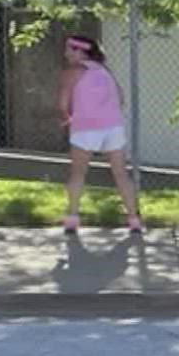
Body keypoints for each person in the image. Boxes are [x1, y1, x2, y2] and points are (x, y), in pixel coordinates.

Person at [57, 34, 143, 234]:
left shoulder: (71, 72)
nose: (66, 53)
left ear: (80, 51)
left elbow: (62, 105)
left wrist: (67, 117)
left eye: (70, 49)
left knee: (78, 174)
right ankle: (134, 220)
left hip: (85, 128)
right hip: (113, 127)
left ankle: (72, 218)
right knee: (121, 174)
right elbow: (120, 98)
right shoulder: (105, 71)